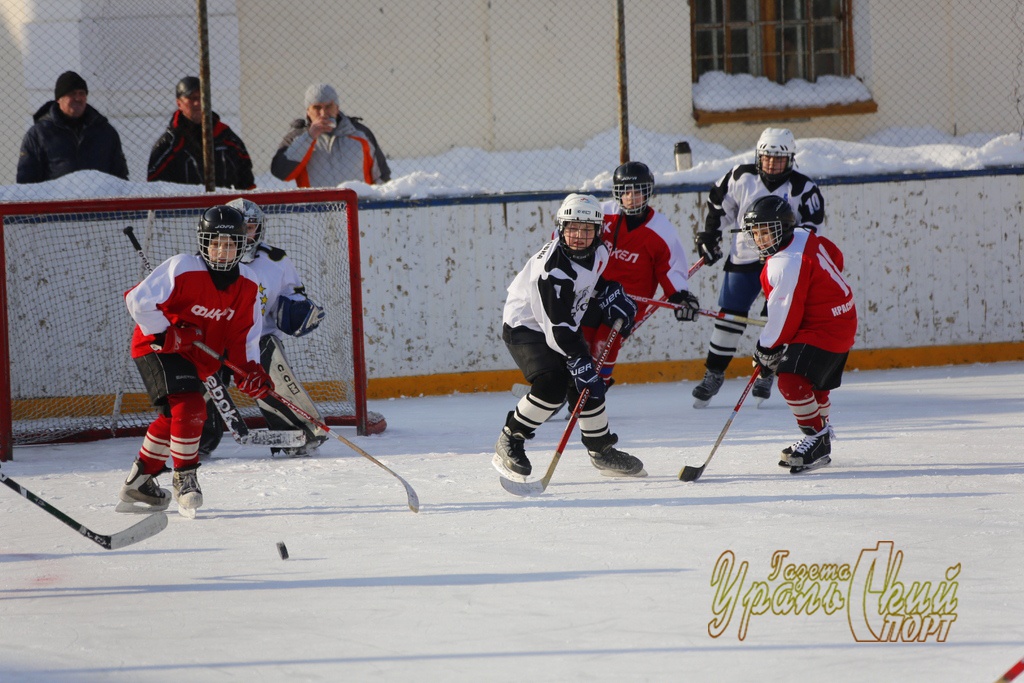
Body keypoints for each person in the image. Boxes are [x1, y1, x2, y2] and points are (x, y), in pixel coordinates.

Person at [117, 205, 272, 517]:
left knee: (177, 418)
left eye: (230, 244)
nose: (222, 251)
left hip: (197, 356)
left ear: (242, 245)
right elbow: (137, 300)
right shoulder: (182, 267)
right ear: (205, 243)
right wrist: (167, 332)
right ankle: (185, 476)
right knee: (191, 407)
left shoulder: (249, 283)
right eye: (216, 243)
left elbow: (245, 335)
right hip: (156, 346)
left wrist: (250, 370)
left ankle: (140, 481)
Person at [494, 193, 644, 482]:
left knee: (586, 382)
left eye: (586, 229)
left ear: (598, 232)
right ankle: (510, 438)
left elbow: (590, 282)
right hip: (527, 327)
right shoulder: (552, 272)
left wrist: (609, 293)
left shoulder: (599, 251)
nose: (578, 235)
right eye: (572, 228)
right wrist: (578, 359)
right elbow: (557, 328)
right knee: (553, 384)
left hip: (561, 320)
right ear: (561, 228)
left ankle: (601, 449)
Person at [692, 128, 825, 408]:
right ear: (758, 156)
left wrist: (792, 259)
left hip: (780, 265)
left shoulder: (803, 188)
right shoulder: (741, 176)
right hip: (743, 258)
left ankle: (767, 372)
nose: (772, 165)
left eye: (779, 159)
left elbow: (811, 230)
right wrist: (710, 235)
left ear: (790, 159)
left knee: (775, 319)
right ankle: (714, 373)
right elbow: (719, 206)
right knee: (729, 318)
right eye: (767, 158)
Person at [198, 198, 328, 459]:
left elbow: (293, 294)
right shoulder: (205, 259)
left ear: (259, 229)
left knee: (269, 372)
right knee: (202, 385)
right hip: (214, 339)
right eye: (240, 228)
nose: (245, 234)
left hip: (258, 338)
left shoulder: (275, 260)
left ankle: (300, 430)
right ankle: (199, 437)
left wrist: (299, 311)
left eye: (250, 228)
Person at [742, 195, 857, 474]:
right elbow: (835, 256)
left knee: (791, 380)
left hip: (823, 327)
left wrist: (765, 350)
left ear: (783, 228)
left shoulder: (784, 263)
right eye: (755, 233)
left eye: (766, 232)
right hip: (843, 318)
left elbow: (784, 319)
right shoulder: (804, 235)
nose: (760, 239)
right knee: (815, 383)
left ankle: (817, 439)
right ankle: (821, 436)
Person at [582, 161, 701, 384]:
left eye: (638, 191)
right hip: (595, 293)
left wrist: (680, 297)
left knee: (604, 343)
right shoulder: (602, 214)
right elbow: (573, 239)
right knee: (582, 340)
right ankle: (570, 387)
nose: (631, 197)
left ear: (648, 192)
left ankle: (597, 387)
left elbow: (670, 268)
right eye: (625, 192)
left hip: (629, 301)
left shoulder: (660, 229)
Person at [17, 71, 129, 183]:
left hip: (99, 198)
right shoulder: (39, 134)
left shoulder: (105, 132)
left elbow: (120, 176)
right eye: (72, 93)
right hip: (58, 199)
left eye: (82, 93)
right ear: (59, 99)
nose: (78, 98)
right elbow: (26, 180)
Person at [271, 83, 390, 187]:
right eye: (317, 107)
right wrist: (310, 137)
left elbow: (382, 176)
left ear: (337, 108)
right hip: (317, 211)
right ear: (308, 111)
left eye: (328, 106)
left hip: (356, 208)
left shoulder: (360, 134)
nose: (323, 113)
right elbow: (282, 173)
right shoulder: (297, 138)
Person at [147, 76, 255, 189]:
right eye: (192, 98)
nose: (197, 103)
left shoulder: (226, 138)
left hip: (225, 204)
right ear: (179, 103)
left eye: (202, 98)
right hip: (186, 205)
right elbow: (155, 188)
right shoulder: (168, 145)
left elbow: (247, 181)